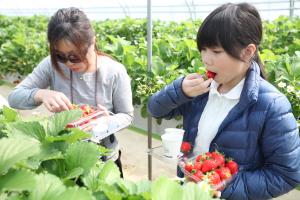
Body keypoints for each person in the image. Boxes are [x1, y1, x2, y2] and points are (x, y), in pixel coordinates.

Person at [148, 3, 300, 199]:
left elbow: (286, 175)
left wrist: (222, 185)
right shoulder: (200, 90)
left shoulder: (271, 105)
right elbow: (155, 110)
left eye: (216, 51)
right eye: (203, 49)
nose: (206, 59)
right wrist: (179, 91)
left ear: (247, 52)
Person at [8, 7, 134, 178]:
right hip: (62, 158)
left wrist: (106, 122)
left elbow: (127, 115)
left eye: (75, 56)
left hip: (104, 161)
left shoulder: (114, 72)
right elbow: (14, 97)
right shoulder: (51, 66)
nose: (68, 63)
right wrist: (41, 94)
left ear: (93, 42)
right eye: (60, 55)